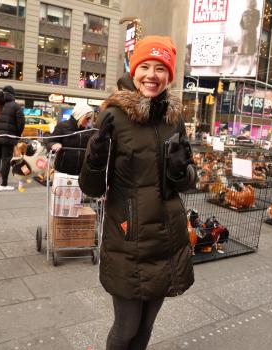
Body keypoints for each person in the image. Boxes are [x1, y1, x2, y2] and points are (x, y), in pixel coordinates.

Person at [79, 36, 197, 350]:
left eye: (161, 68)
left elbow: (188, 181)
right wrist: (95, 156)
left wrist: (180, 170)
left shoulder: (175, 119)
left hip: (166, 237)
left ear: (169, 75)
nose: (152, 75)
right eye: (145, 66)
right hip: (128, 236)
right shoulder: (113, 116)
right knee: (126, 327)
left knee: (146, 327)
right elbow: (91, 187)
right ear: (134, 70)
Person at [0, 85, 25, 191]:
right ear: (13, 94)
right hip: (8, 137)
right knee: (6, 160)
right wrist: (17, 135)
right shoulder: (15, 106)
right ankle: (3, 184)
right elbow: (21, 123)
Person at [46, 102, 95, 176]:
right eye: (87, 118)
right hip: (63, 171)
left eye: (90, 118)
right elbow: (50, 142)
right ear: (80, 116)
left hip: (82, 173)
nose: (89, 120)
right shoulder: (62, 126)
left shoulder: (89, 130)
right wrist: (54, 145)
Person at [230, 0, 260, 75]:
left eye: (250, 2)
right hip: (244, 35)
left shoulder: (257, 12)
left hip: (252, 34)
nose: (248, 3)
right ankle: (234, 67)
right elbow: (240, 23)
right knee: (239, 52)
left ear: (253, 3)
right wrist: (243, 30)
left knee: (251, 53)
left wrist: (249, 29)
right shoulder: (244, 12)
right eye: (248, 2)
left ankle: (250, 69)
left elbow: (256, 23)